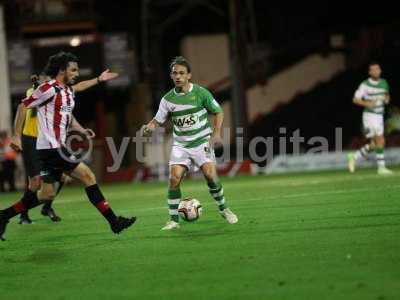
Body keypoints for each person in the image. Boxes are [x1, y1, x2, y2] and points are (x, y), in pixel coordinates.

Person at [0, 51, 136, 241]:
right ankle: (114, 222)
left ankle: (3, 216)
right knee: (88, 176)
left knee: (45, 195)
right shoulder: (48, 88)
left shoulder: (67, 91)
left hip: (53, 149)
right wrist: (16, 135)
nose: (77, 73)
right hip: (52, 149)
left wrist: (98, 79)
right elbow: (24, 106)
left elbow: (79, 87)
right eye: (73, 70)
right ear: (62, 70)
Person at [142, 56, 238, 230]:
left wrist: (216, 134)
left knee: (211, 176)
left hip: (202, 141)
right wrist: (149, 127)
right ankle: (173, 220)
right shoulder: (167, 99)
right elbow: (157, 120)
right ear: (171, 76)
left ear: (189, 75)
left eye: (181, 73)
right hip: (181, 145)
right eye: (174, 73)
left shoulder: (201, 93)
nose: (178, 76)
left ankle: (224, 209)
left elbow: (218, 112)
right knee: (174, 178)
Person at [11, 71, 108, 224]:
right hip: (32, 140)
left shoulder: (58, 93)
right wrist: (16, 135)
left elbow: (69, 114)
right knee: (35, 183)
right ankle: (21, 214)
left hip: (49, 144)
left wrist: (82, 130)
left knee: (62, 179)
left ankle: (46, 207)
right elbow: (25, 105)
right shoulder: (37, 92)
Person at [348, 62, 393, 175]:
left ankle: (354, 156)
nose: (376, 71)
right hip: (369, 116)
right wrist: (366, 103)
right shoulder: (365, 85)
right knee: (380, 140)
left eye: (378, 69)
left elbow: (387, 95)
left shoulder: (384, 82)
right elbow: (355, 99)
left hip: (379, 116)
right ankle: (381, 168)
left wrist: (387, 99)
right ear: (370, 72)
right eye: (374, 70)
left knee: (374, 144)